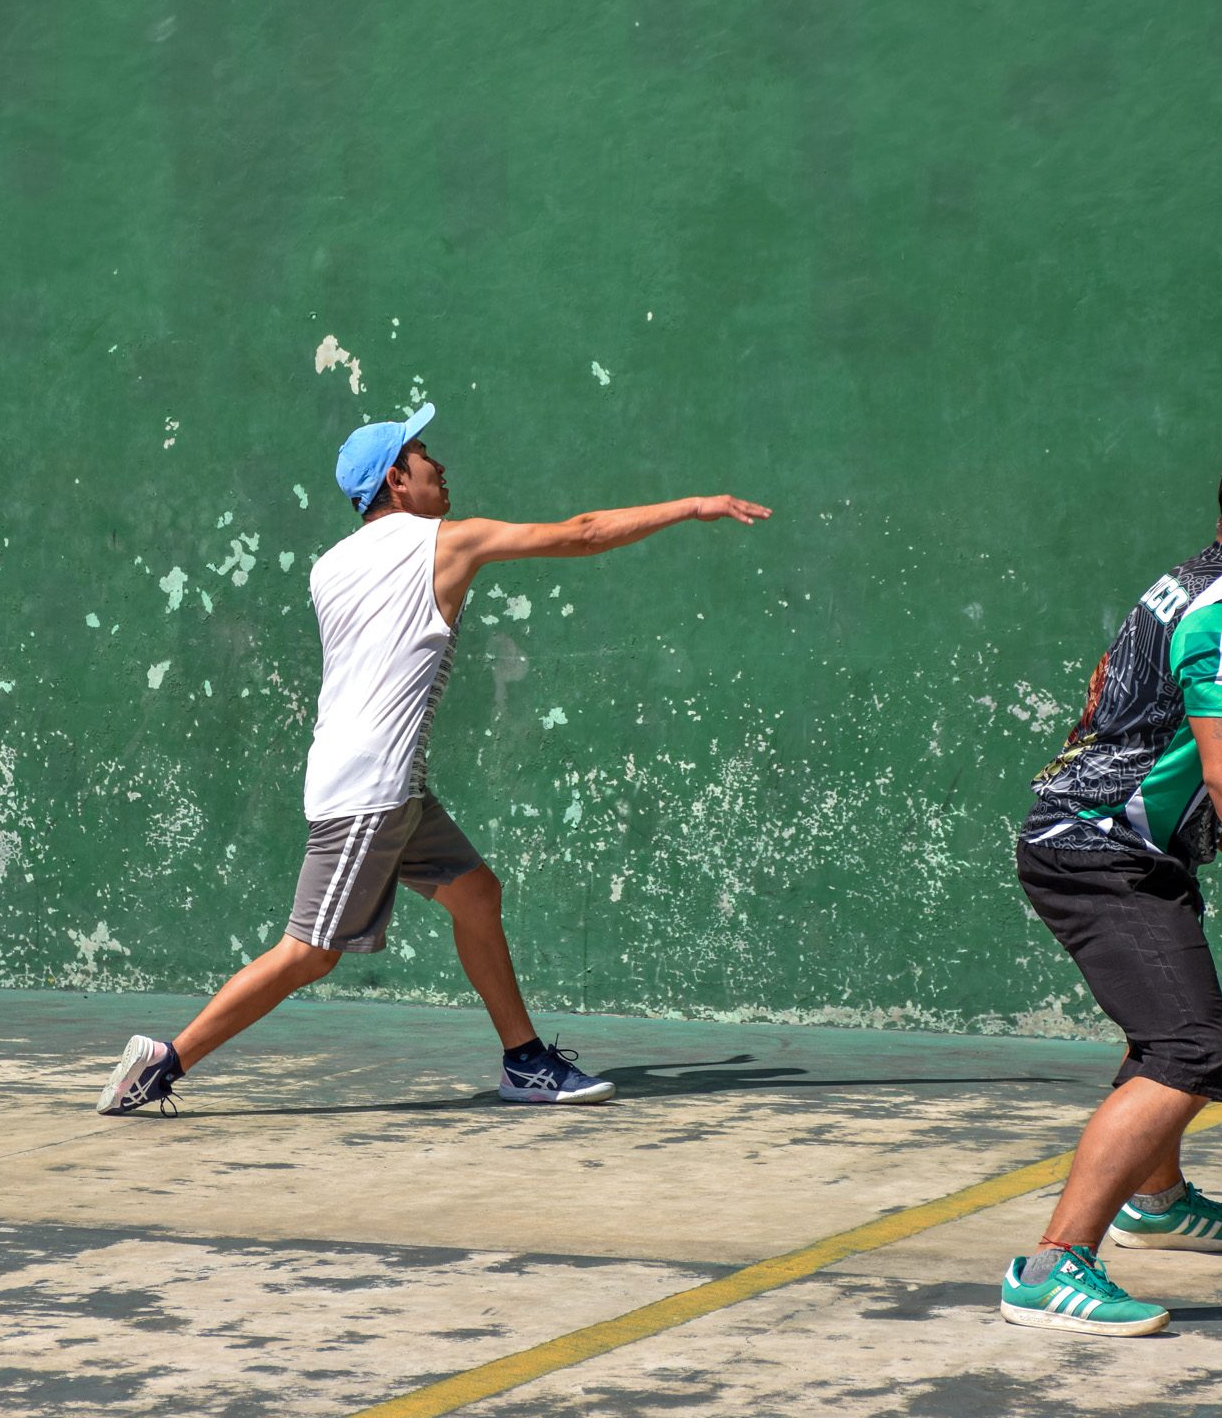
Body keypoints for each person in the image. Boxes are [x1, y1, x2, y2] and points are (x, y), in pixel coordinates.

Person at [97, 403, 770, 1116]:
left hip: (391, 786)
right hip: (370, 792)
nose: (439, 465)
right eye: (423, 455)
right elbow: (583, 534)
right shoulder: (442, 544)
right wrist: (694, 504)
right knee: (309, 954)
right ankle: (164, 1063)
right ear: (396, 479)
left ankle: (524, 1061)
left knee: (477, 894)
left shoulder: (329, 566)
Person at [1000, 447, 1222, 1336]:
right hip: (1098, 852)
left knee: (1166, 1029)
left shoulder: (1194, 579)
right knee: (1189, 1047)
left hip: (1114, 845)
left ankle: (1158, 1202)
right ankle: (1050, 1267)